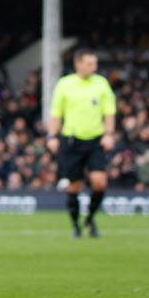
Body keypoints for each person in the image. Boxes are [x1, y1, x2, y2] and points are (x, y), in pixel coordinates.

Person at [47, 49, 117, 238]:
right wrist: (52, 137)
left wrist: (109, 134)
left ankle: (90, 217)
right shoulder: (65, 84)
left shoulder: (101, 84)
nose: (94, 67)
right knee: (74, 186)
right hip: (72, 141)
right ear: (78, 64)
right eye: (89, 63)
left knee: (99, 182)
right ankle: (76, 226)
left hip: (95, 140)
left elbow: (109, 111)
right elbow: (56, 113)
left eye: (95, 63)